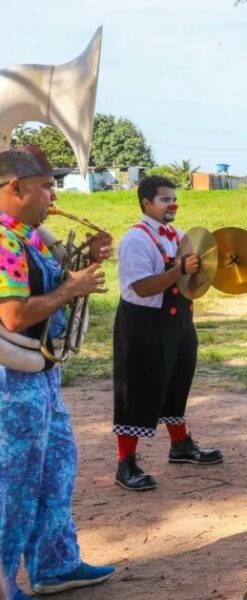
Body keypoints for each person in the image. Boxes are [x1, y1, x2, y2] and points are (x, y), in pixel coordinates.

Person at [0, 146, 115, 598]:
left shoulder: (25, 234)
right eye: (47, 186)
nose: (54, 194)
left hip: (40, 376)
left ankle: (55, 564)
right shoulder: (4, 242)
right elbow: (13, 316)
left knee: (56, 468)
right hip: (14, 383)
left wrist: (85, 258)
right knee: (15, 485)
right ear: (15, 187)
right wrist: (72, 288)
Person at [112, 175, 222, 491]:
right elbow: (143, 287)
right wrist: (180, 271)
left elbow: (194, 277)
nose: (172, 204)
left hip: (177, 321)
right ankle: (126, 464)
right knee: (138, 391)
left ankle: (180, 445)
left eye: (174, 198)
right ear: (146, 203)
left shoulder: (179, 235)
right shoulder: (136, 239)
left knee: (177, 381)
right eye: (164, 199)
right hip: (143, 324)